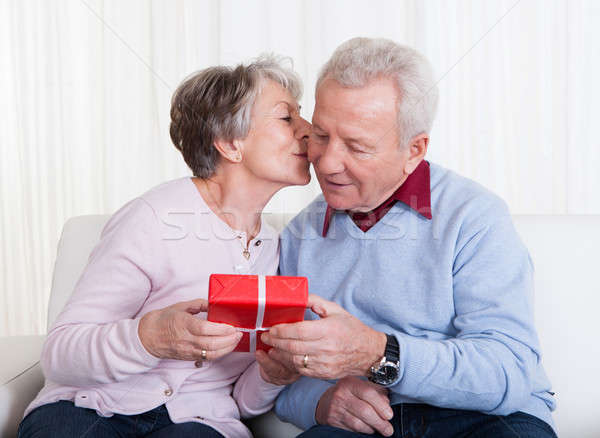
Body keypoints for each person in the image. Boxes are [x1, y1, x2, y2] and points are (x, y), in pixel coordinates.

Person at [262, 37, 558, 438]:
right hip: (365, 427)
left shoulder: (475, 217)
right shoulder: (300, 234)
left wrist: (379, 354)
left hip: (485, 420)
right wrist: (320, 401)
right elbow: (280, 376)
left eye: (357, 147)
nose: (328, 163)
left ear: (413, 150)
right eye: (321, 135)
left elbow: (509, 369)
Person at [18, 55, 310, 438]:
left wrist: (272, 374)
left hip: (201, 423)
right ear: (229, 143)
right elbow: (60, 355)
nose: (310, 130)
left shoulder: (274, 249)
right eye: (287, 118)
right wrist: (148, 338)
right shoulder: (153, 218)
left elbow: (241, 402)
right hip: (92, 408)